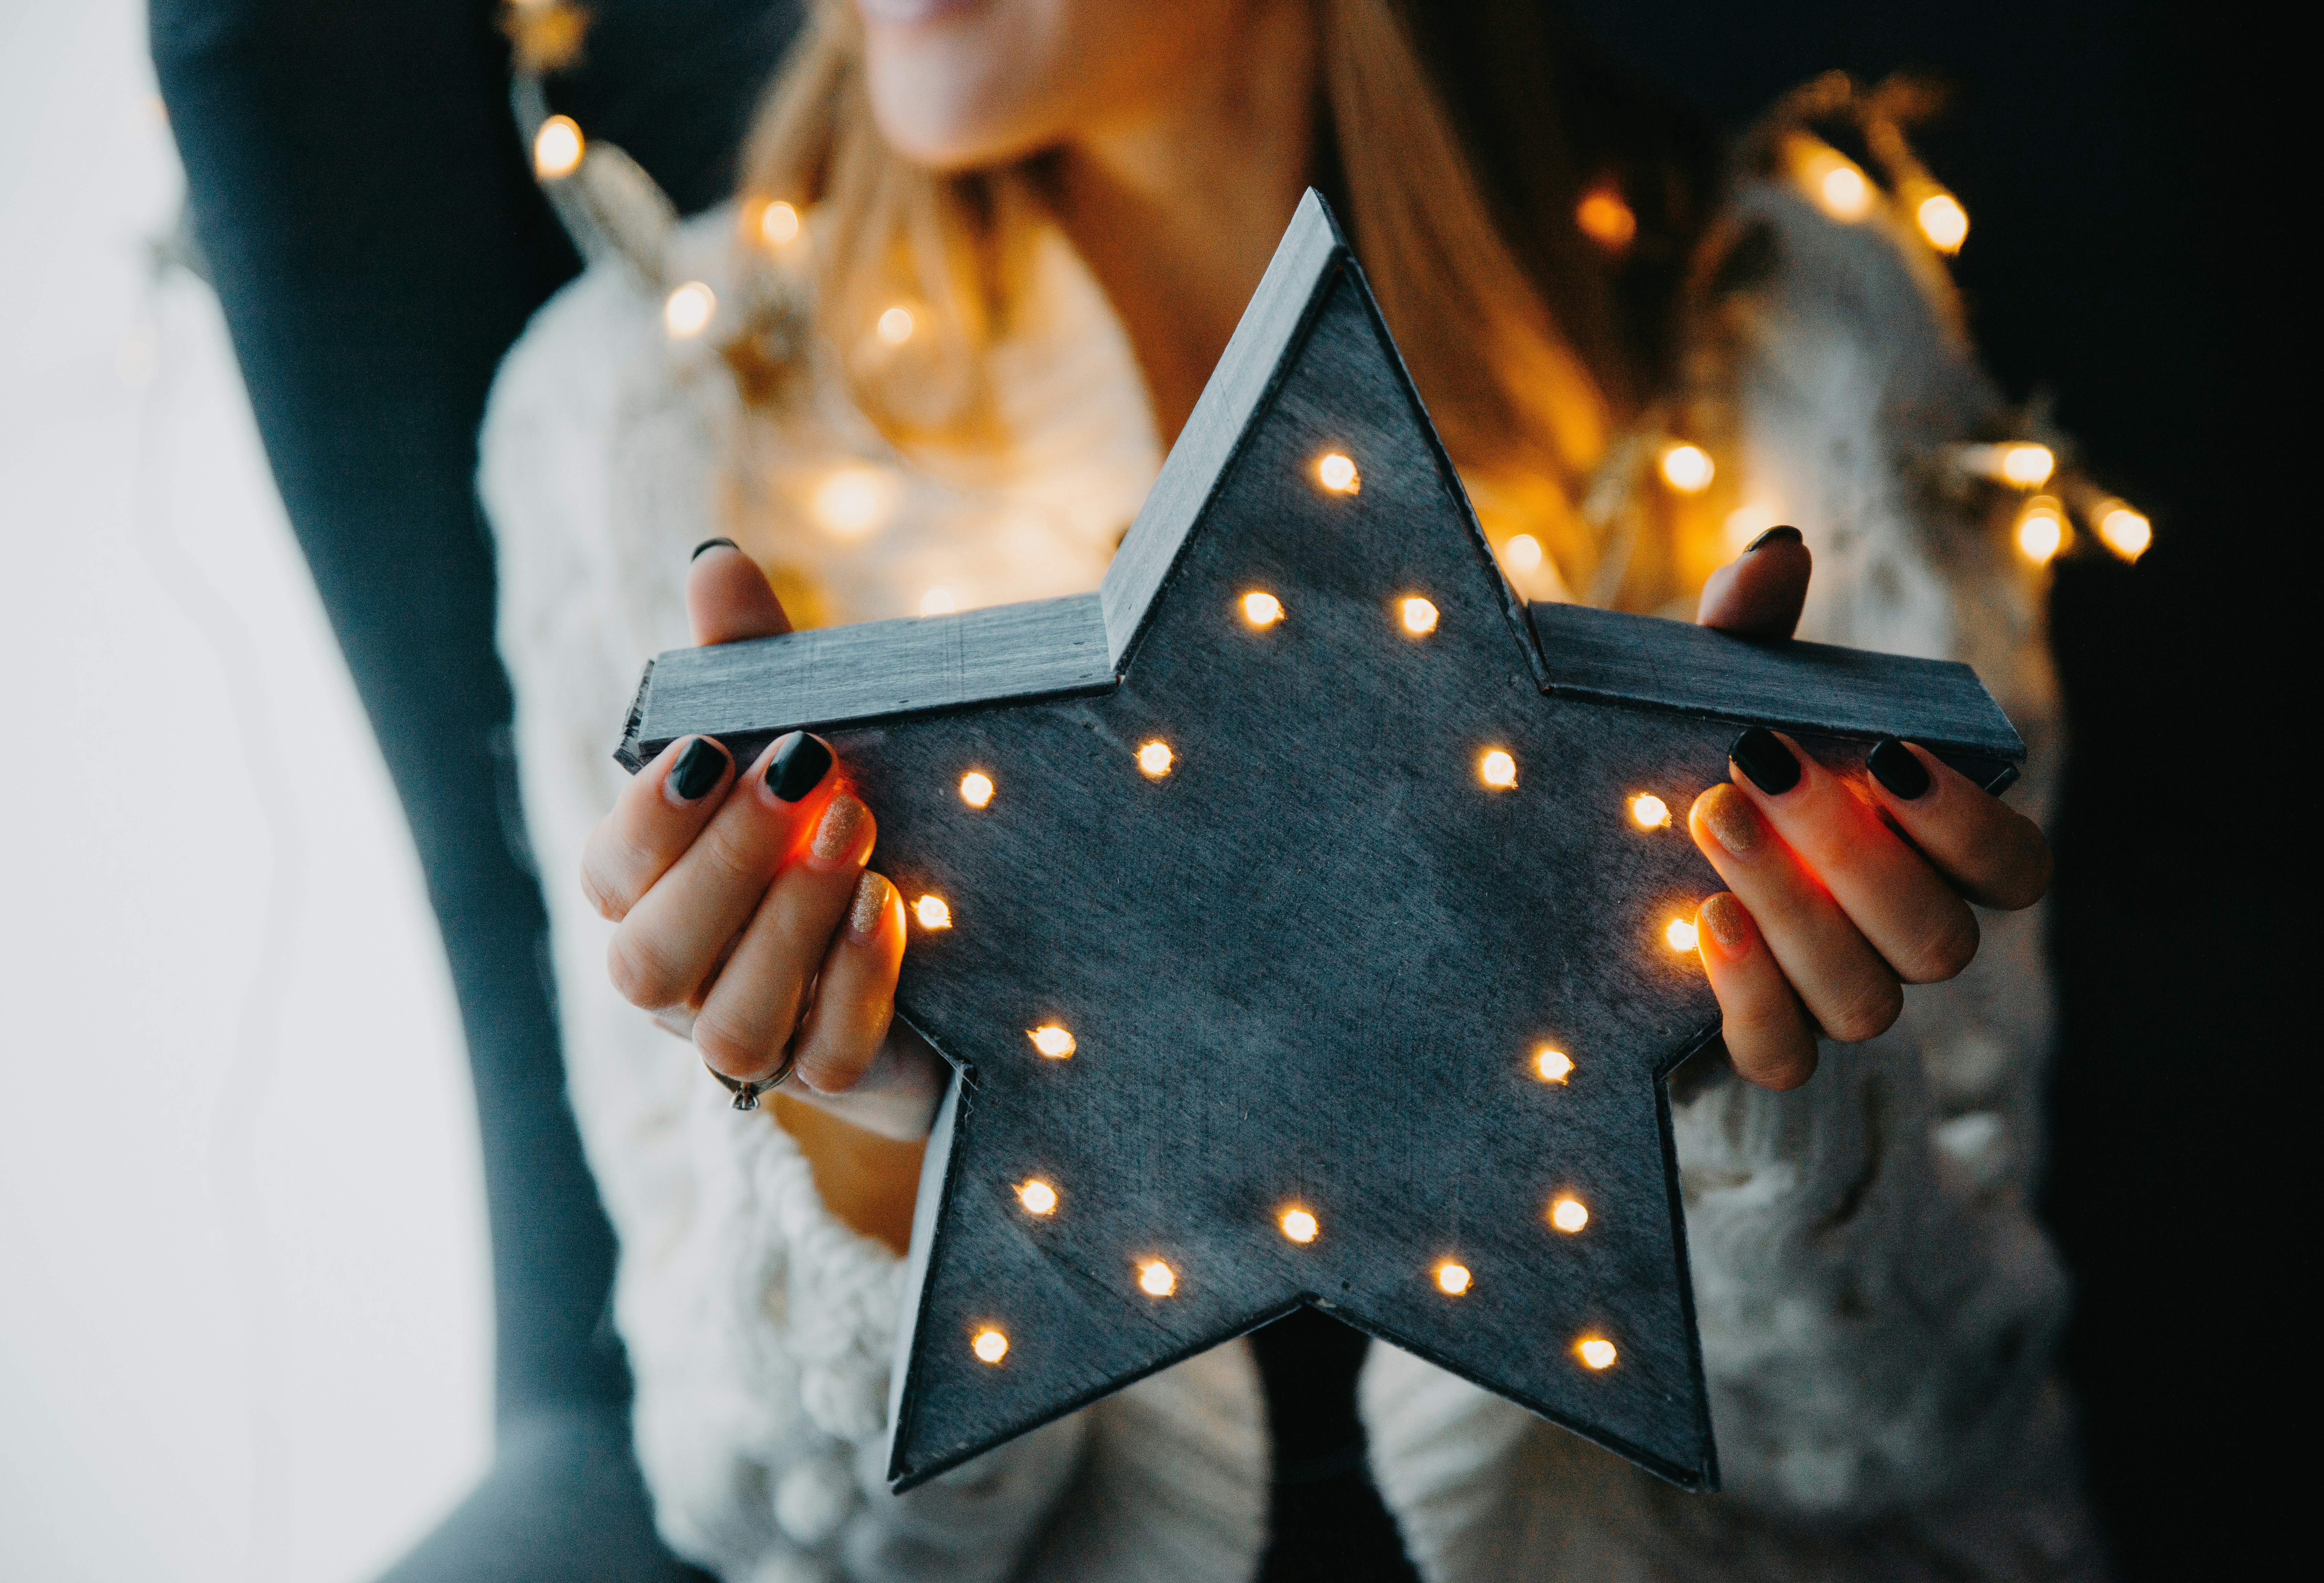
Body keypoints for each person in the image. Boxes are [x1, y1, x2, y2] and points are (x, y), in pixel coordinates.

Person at [477, 0, 2098, 1577]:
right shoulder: (655, 406)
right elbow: (773, 1520)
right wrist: (880, 1137)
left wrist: (1736, 1080)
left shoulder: (1769, 334)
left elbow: (1911, 1430)